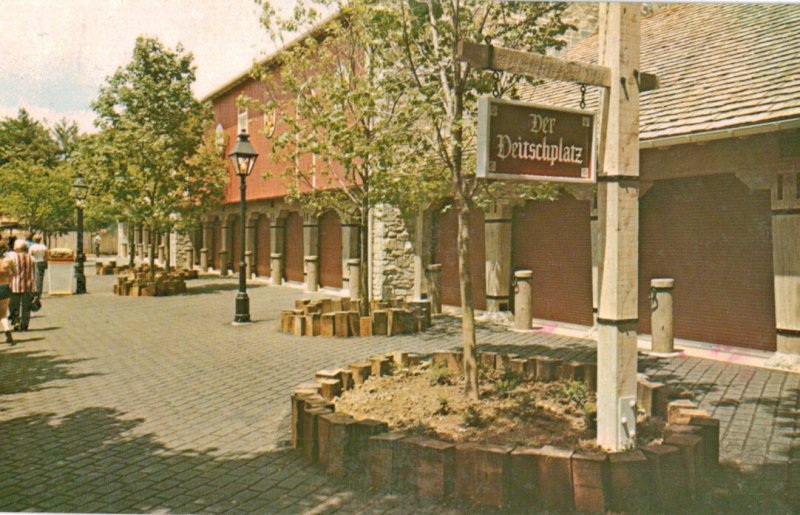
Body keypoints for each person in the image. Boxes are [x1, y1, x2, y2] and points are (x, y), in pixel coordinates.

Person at [8, 239, 35, 332]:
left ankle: (16, 322)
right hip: (28, 285)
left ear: (18, 248)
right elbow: (35, 273)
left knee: (13, 305)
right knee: (26, 306)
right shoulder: (32, 258)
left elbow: (10, 272)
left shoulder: (12, 258)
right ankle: (24, 325)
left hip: (15, 284)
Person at [0, 242, 14, 344]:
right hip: (4, 287)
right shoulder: (8, 261)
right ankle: (7, 329)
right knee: (3, 314)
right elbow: (15, 272)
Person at [28, 235, 48, 299]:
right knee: (41, 278)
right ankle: (39, 293)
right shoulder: (44, 247)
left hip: (34, 262)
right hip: (41, 262)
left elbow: (29, 256)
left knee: (33, 278)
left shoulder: (32, 247)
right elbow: (46, 256)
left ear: (34, 240)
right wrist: (46, 263)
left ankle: (34, 292)